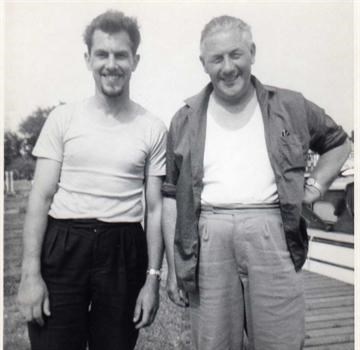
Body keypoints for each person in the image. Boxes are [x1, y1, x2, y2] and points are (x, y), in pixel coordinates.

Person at [162, 15, 351, 350]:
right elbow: (172, 197)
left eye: (236, 54)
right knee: (213, 343)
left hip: (272, 233)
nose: (228, 67)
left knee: (281, 342)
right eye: (216, 59)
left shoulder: (290, 105)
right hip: (209, 239)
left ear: (252, 52)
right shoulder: (185, 118)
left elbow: (339, 143)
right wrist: (175, 267)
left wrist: (317, 186)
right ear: (203, 64)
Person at [17, 10, 166, 350]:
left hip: (123, 249)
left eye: (120, 55)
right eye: (102, 54)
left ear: (135, 60)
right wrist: (30, 274)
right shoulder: (63, 118)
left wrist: (152, 281)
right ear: (88, 59)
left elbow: (155, 209)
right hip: (65, 244)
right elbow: (40, 197)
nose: (111, 64)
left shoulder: (152, 126)